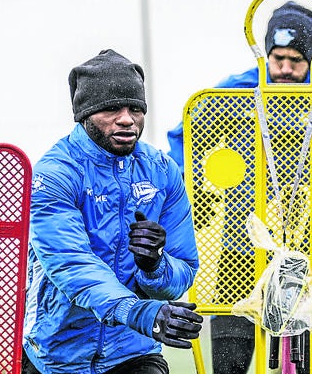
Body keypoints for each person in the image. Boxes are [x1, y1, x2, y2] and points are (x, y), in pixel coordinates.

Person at [166, 1, 312, 374]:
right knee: (231, 357)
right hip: (242, 243)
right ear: (266, 52)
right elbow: (185, 137)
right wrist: (198, 187)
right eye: (277, 57)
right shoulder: (237, 92)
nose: (285, 69)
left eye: (297, 60)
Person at [21, 49, 203, 374]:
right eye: (111, 109)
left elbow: (183, 271)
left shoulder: (163, 170)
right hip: (56, 356)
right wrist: (139, 312)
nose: (126, 119)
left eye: (135, 108)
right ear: (84, 114)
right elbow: (71, 263)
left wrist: (154, 265)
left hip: (134, 352)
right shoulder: (55, 173)